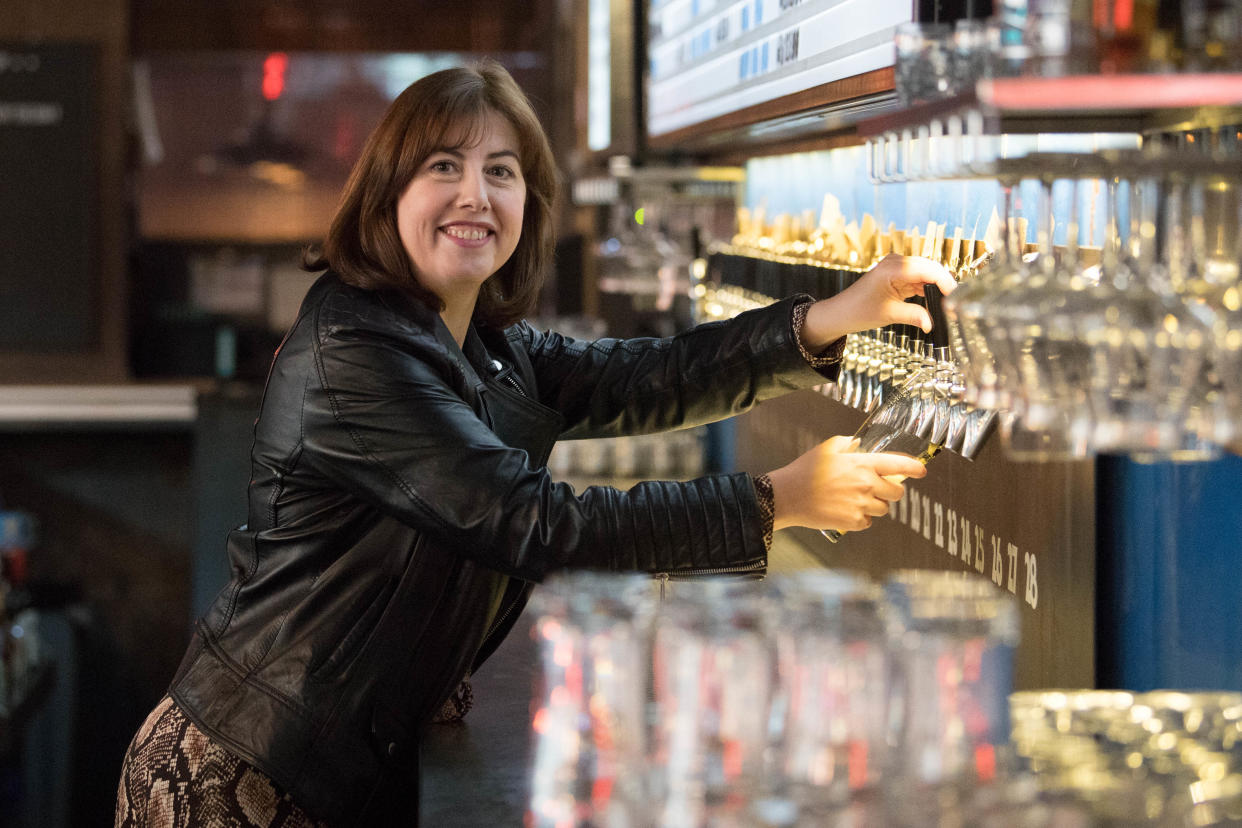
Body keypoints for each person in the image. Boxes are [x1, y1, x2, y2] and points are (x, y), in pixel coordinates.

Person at [115, 59, 955, 827]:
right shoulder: (356, 350)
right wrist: (777, 502)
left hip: (326, 757)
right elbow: (533, 525)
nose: (475, 195)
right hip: (237, 775)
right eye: (444, 166)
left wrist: (829, 320)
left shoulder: (478, 338)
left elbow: (644, 376)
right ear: (386, 192)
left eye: (501, 172)